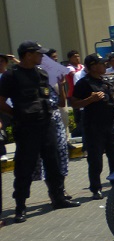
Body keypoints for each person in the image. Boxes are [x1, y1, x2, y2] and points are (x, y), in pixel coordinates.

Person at [0, 41, 80, 222]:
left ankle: (58, 199)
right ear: (28, 55)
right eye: (38, 54)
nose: (41, 57)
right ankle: (20, 207)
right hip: (26, 129)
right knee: (24, 168)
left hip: (46, 126)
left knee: (53, 164)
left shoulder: (41, 74)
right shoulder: (11, 76)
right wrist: (17, 114)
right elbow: (1, 101)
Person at [71, 53, 114, 199]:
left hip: (109, 125)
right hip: (94, 127)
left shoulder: (105, 81)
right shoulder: (84, 83)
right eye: (101, 63)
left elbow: (110, 98)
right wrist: (90, 99)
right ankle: (95, 188)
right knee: (95, 160)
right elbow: (74, 103)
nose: (104, 65)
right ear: (93, 66)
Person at [32, 50, 71, 200]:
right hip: (44, 123)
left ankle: (61, 189)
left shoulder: (54, 79)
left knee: (61, 153)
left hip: (56, 120)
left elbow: (62, 102)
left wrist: (61, 86)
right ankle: (53, 191)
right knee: (49, 158)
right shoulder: (39, 77)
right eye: (52, 59)